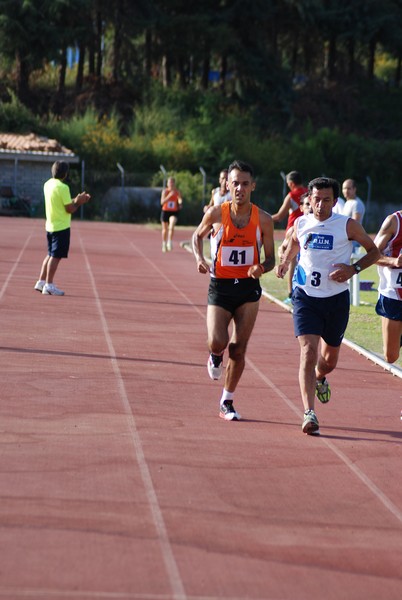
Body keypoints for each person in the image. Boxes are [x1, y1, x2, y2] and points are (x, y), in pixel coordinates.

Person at [275, 176, 380, 435]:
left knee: (328, 361)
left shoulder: (347, 226)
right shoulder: (300, 223)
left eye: (326, 200)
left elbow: (374, 252)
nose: (320, 205)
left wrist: (353, 269)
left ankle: (320, 377)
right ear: (309, 200)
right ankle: (309, 413)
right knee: (308, 351)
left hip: (335, 301)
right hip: (306, 298)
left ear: (335, 201)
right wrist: (285, 261)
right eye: (316, 199)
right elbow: (292, 245)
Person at [192, 160, 275, 421]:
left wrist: (262, 267)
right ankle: (215, 355)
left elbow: (271, 258)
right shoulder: (216, 213)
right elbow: (196, 236)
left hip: (249, 289)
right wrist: (199, 258)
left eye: (245, 184)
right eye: (235, 183)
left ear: (253, 186)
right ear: (228, 184)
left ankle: (227, 401)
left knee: (238, 348)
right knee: (218, 341)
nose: (240, 188)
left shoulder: (264, 219)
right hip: (221, 286)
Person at [34, 161, 91, 296]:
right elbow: (69, 208)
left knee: (50, 254)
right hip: (61, 227)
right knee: (56, 256)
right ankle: (49, 285)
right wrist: (79, 202)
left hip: (50, 225)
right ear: (65, 174)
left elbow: (62, 202)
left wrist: (76, 199)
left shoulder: (48, 184)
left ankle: (41, 281)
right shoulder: (63, 187)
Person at [272, 171, 308, 305]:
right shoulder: (308, 193)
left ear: (291, 183)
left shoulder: (292, 195)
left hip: (294, 231)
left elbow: (279, 216)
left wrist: (262, 219)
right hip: (308, 231)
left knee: (291, 262)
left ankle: (291, 293)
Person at [373, 210, 402, 363]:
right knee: (391, 356)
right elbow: (373, 255)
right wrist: (394, 262)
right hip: (394, 295)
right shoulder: (394, 222)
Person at [342, 178, 365, 254]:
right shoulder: (347, 202)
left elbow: (355, 223)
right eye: (344, 188)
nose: (346, 191)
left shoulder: (357, 203)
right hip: (345, 238)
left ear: (354, 189)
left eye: (349, 188)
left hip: (352, 240)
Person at [160, 176, 182, 252]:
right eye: (170, 182)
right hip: (165, 211)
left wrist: (180, 203)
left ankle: (169, 241)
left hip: (174, 211)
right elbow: (162, 202)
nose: (171, 184)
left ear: (174, 183)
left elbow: (179, 199)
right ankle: (164, 243)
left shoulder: (177, 191)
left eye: (172, 182)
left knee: (171, 225)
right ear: (167, 184)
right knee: (165, 230)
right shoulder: (165, 192)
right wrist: (169, 196)